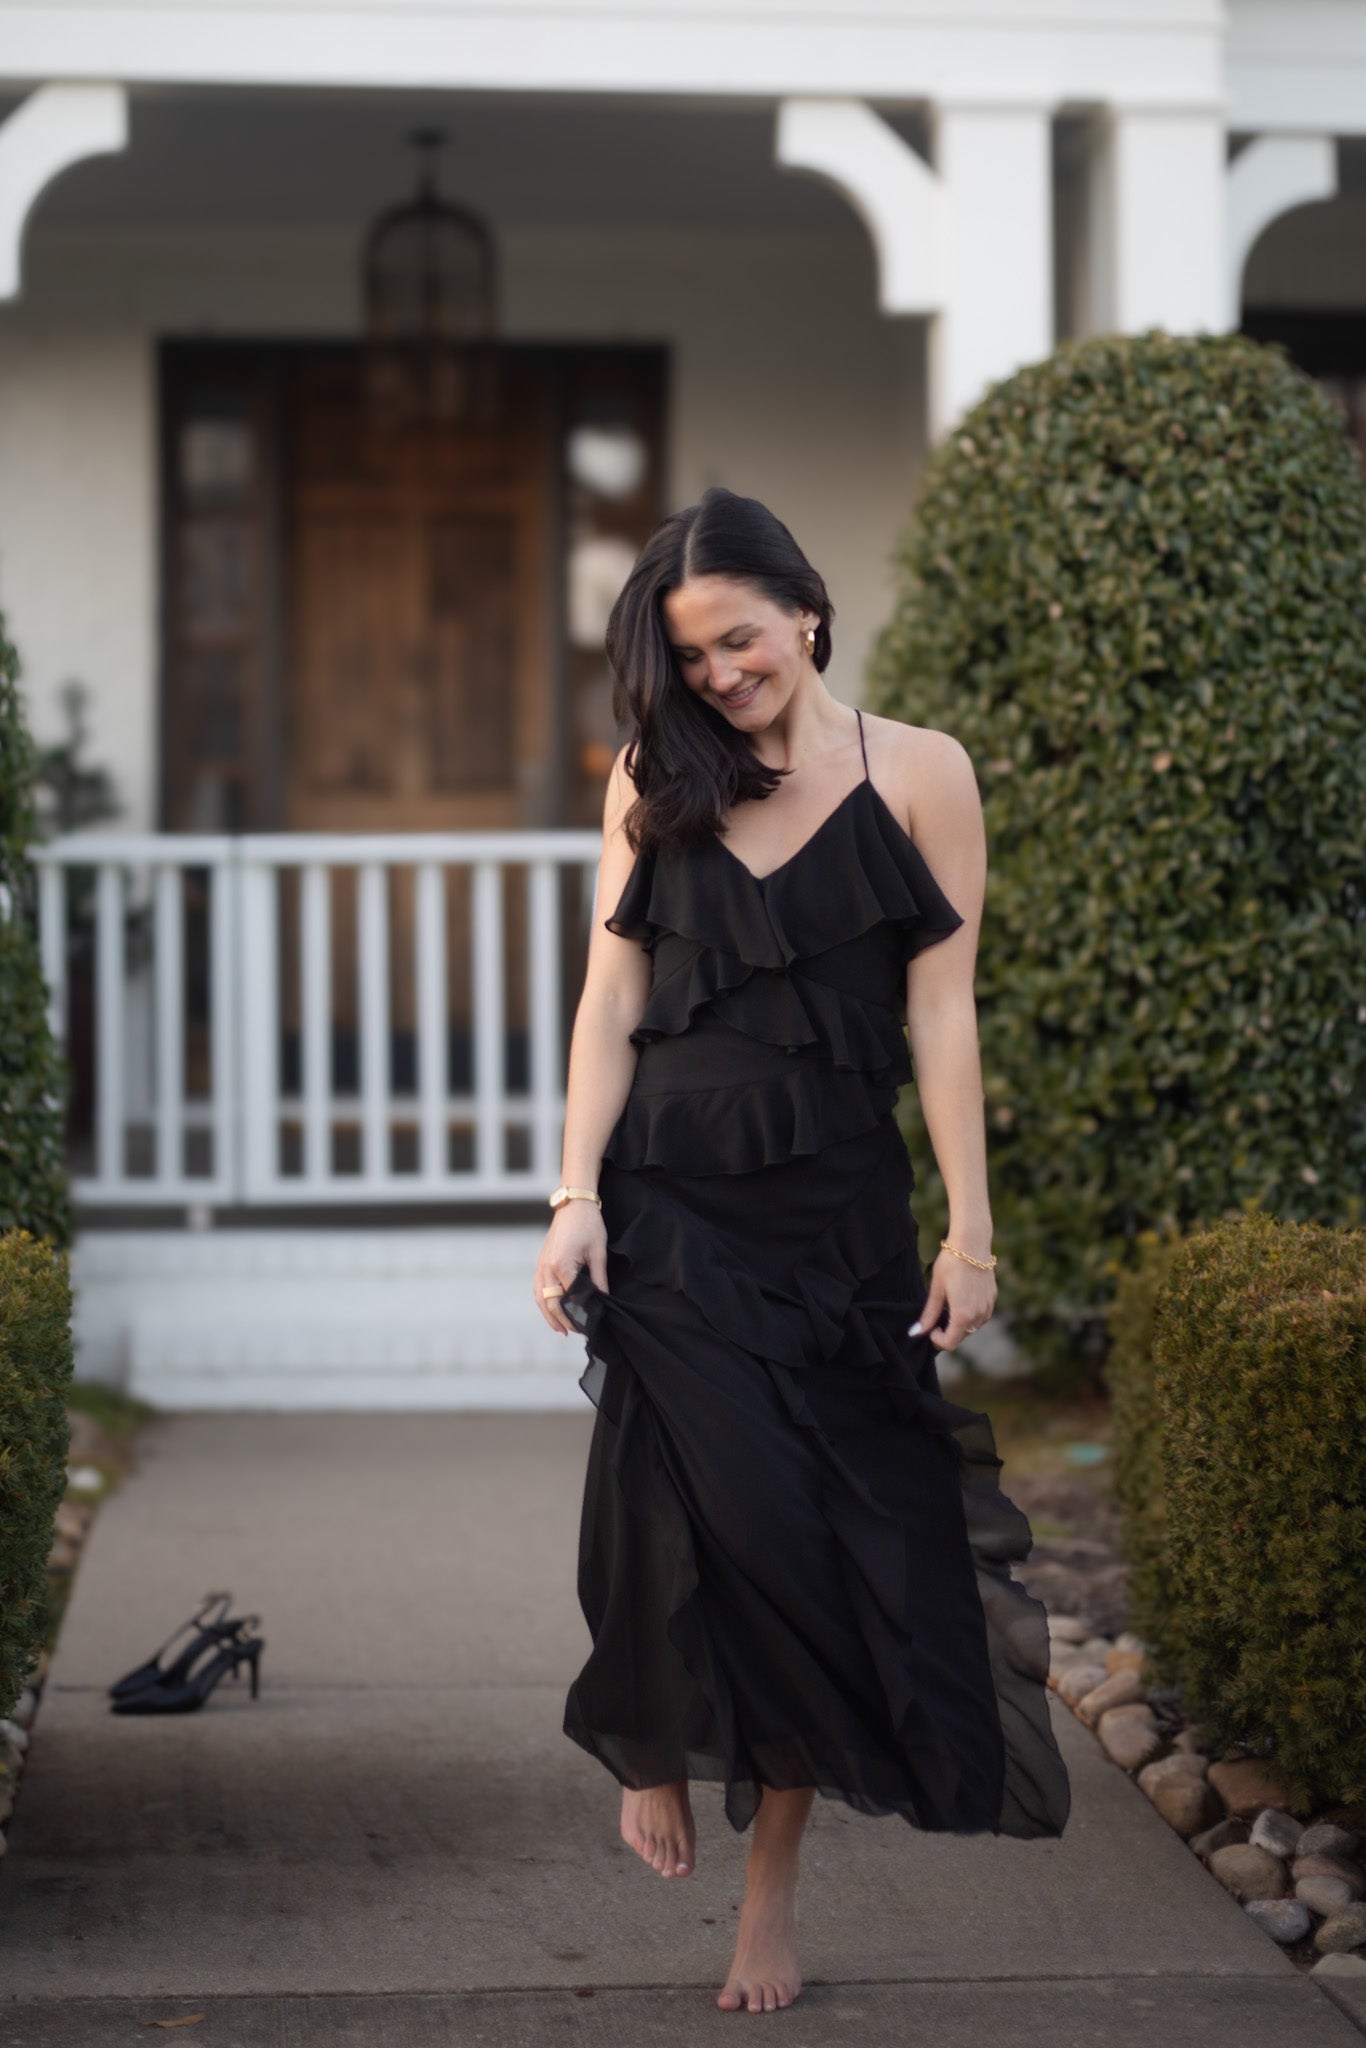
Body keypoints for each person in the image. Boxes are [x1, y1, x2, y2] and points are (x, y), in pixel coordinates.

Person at [533, 486, 1070, 2015]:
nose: (719, 675)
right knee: (681, 1501)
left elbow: (942, 1011)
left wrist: (970, 1228)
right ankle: (650, 1740)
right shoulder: (654, 771)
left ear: (808, 611)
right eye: (693, 653)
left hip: (835, 1218)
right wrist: (572, 1194)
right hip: (673, 1205)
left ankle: (769, 1888)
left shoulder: (922, 775)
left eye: (741, 640)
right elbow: (607, 1001)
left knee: (819, 1553)